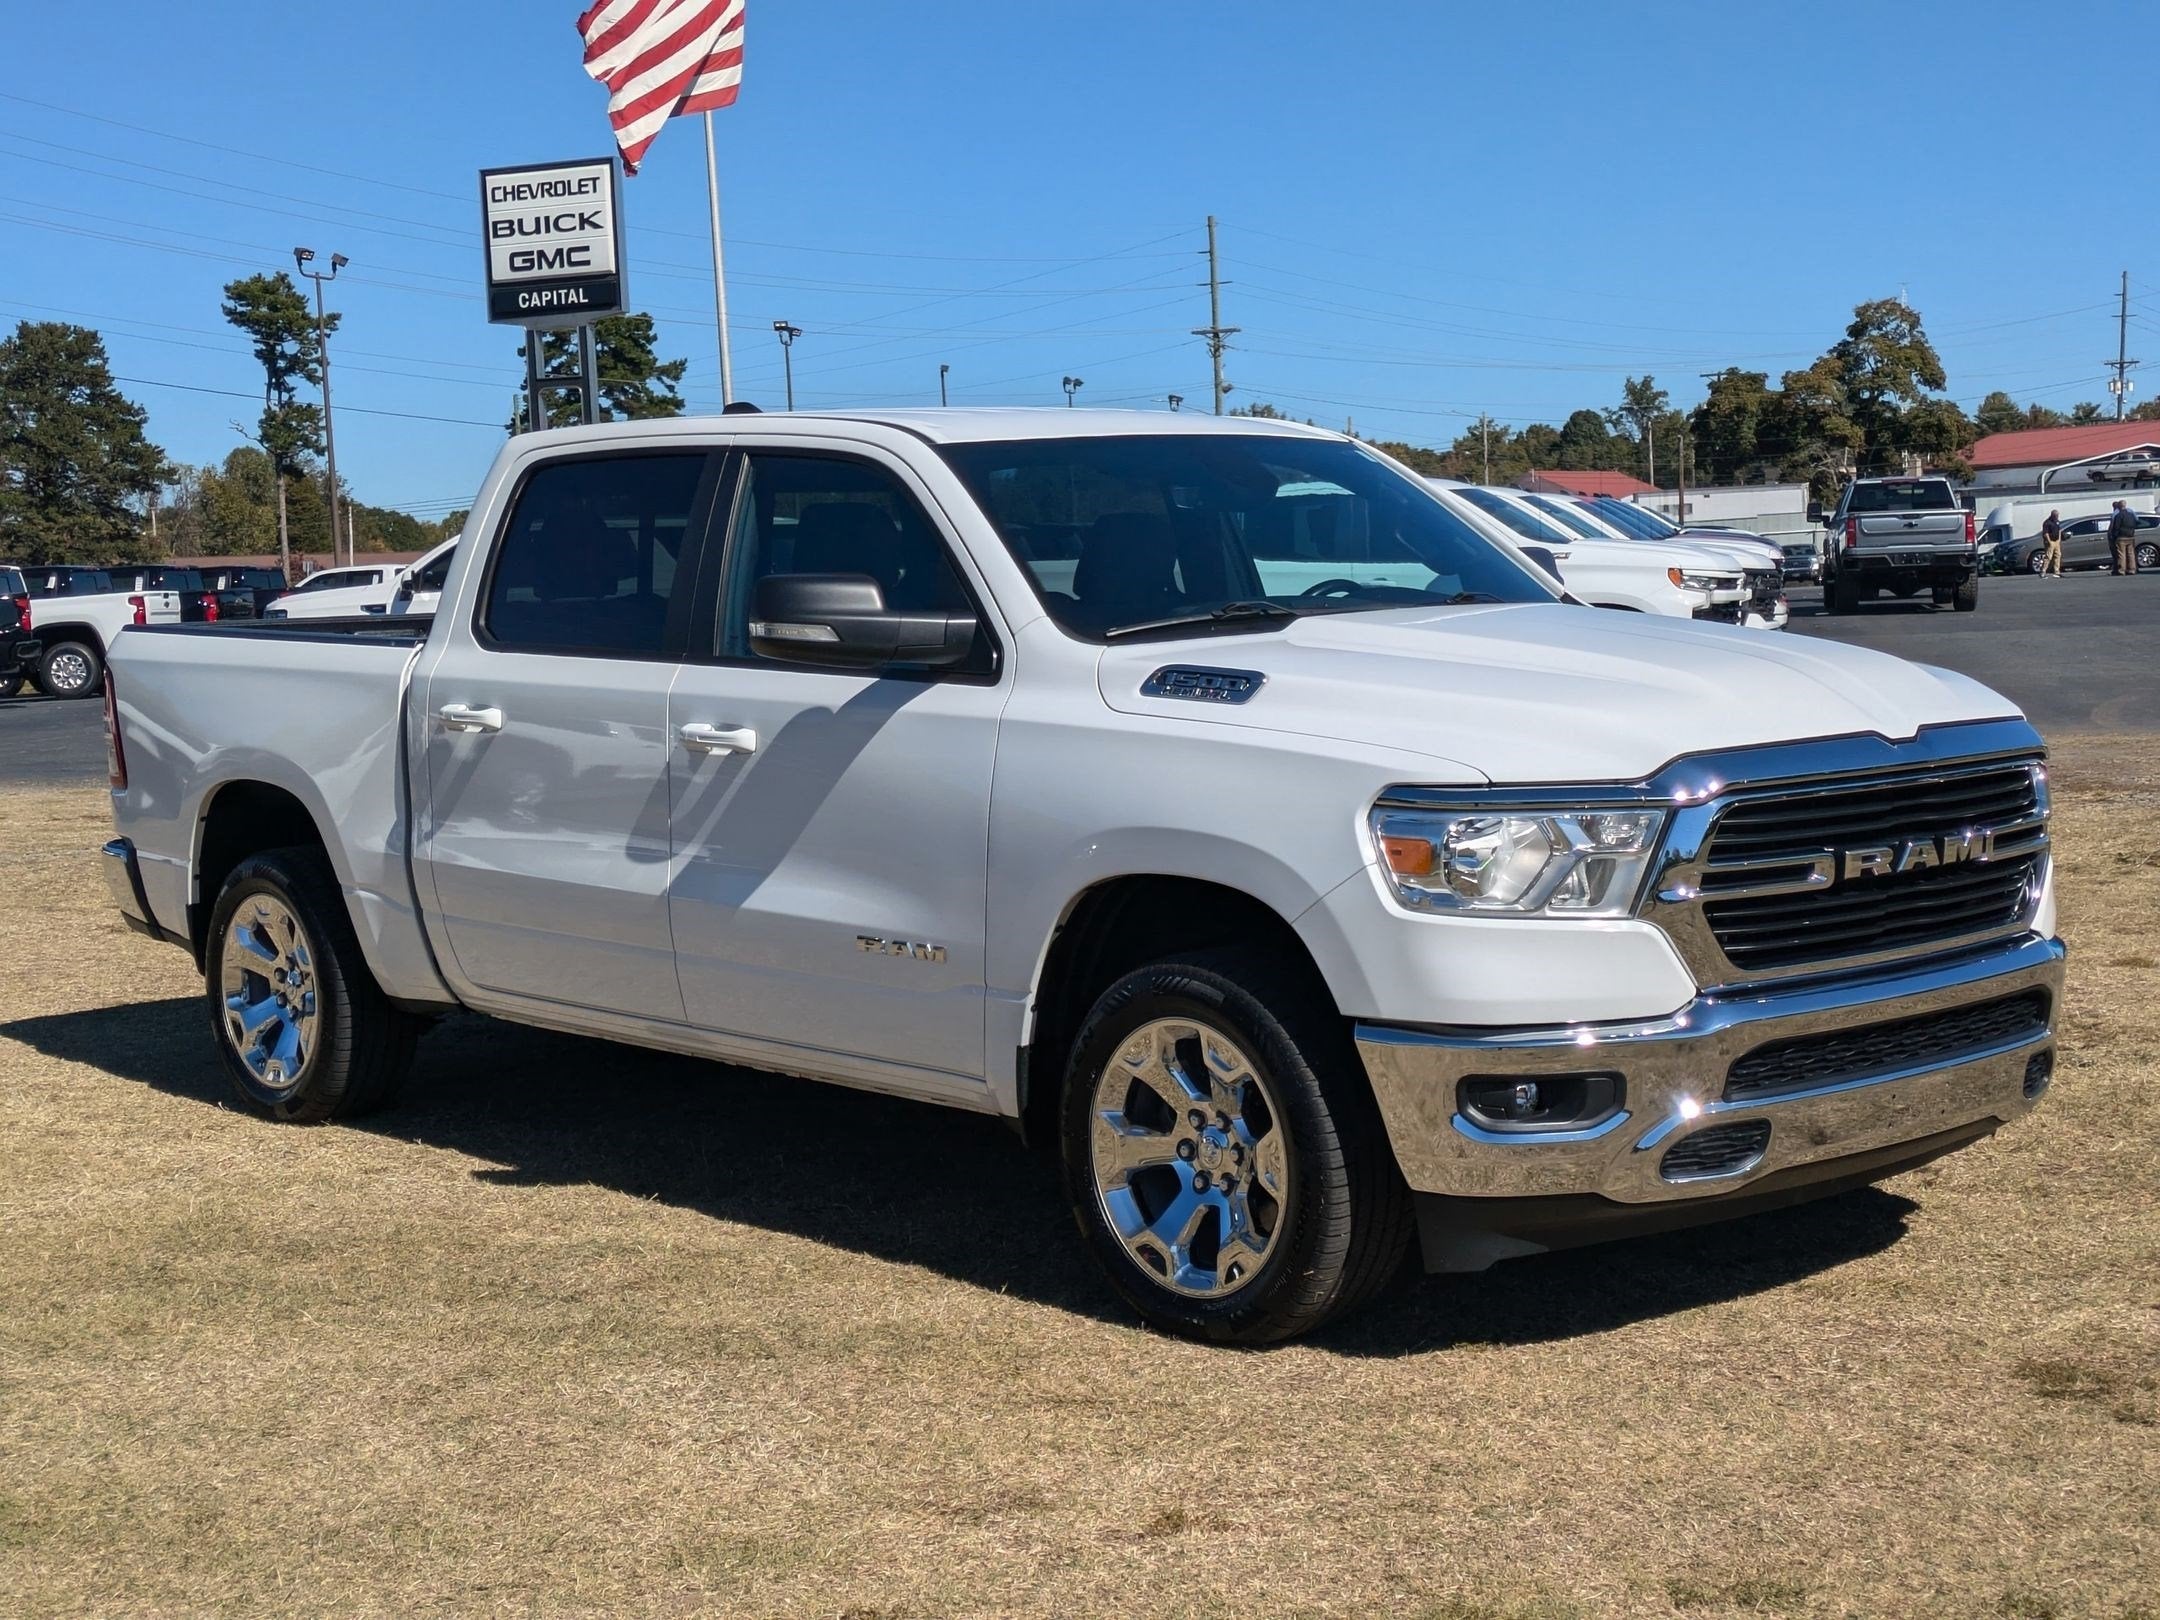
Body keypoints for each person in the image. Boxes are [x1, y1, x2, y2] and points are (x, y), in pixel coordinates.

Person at [2108, 500, 2140, 575]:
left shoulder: (2118, 515)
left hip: (2121, 537)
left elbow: (2116, 527)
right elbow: (2136, 522)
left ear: (2118, 506)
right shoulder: (2131, 514)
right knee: (2131, 553)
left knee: (2121, 554)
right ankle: (2132, 569)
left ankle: (2121, 570)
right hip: (2131, 536)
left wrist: (2114, 536)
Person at [2040, 508, 2064, 578]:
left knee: (2058, 555)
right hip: (2050, 541)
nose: (2057, 517)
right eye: (2056, 515)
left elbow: (2059, 530)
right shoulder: (2047, 522)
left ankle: (2057, 571)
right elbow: (2046, 533)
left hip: (2056, 541)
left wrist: (2059, 539)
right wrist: (2049, 541)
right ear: (2052, 515)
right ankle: (2043, 571)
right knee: (2048, 556)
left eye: (2057, 515)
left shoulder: (2057, 521)